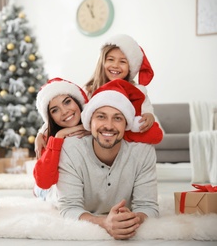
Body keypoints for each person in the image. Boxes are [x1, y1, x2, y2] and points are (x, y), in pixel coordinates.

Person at [56, 78, 159, 240]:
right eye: (101, 117)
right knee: (46, 195)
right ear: (90, 122)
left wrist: (132, 219)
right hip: (51, 189)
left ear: (127, 124)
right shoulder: (70, 149)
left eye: (117, 118)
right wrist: (104, 222)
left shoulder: (143, 151)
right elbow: (68, 208)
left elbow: (148, 207)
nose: (109, 125)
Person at [83, 33, 155, 133]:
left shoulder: (138, 92)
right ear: (102, 62)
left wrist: (149, 116)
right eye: (110, 59)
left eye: (122, 62)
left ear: (131, 68)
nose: (115, 65)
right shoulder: (90, 91)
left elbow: (146, 111)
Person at [33, 77, 90, 193]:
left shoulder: (97, 126)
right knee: (40, 191)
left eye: (67, 102)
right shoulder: (49, 137)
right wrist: (59, 136)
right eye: (55, 110)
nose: (64, 112)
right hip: (56, 192)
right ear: (51, 119)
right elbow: (44, 182)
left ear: (78, 102)